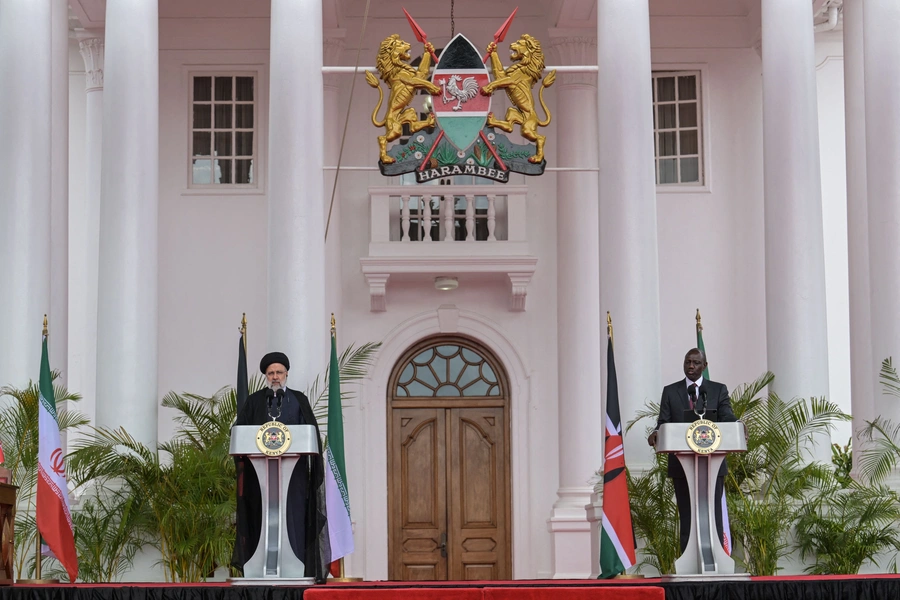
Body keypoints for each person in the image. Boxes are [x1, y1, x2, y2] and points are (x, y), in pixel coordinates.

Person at [231, 351, 329, 581]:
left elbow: (311, 433)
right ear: (266, 375)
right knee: (259, 517)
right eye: (271, 373)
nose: (275, 377)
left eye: (279, 372)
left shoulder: (299, 399)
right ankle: (257, 568)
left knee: (294, 517)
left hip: (293, 477)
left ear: (286, 374)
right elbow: (238, 432)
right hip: (260, 477)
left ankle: (295, 568)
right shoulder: (254, 401)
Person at [647, 348, 737, 554]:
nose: (691, 366)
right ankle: (688, 560)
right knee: (686, 514)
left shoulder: (718, 390)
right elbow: (663, 422)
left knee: (713, 513)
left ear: (704, 366)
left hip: (713, 466)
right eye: (687, 362)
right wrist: (655, 432)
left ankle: (716, 557)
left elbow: (727, 417)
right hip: (681, 465)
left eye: (696, 363)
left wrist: (738, 425)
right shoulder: (671, 391)